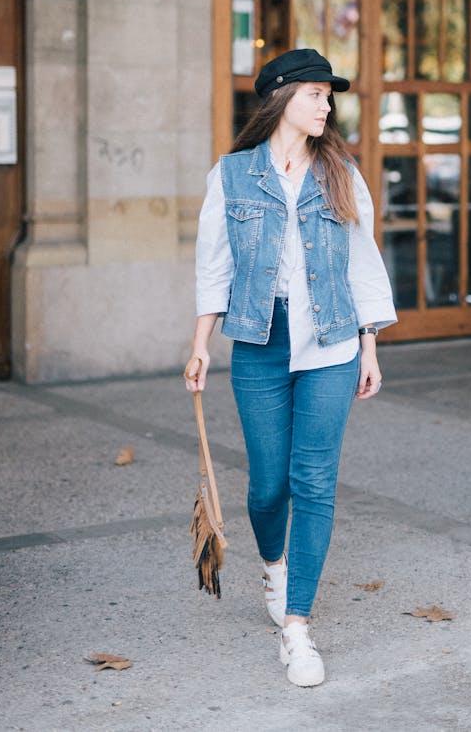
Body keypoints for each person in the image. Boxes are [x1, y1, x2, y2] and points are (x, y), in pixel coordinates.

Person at [183, 48, 397, 688]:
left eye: (329, 97)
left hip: (331, 341)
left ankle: (298, 628)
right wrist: (200, 343)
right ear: (281, 98)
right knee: (268, 485)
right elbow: (214, 265)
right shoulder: (233, 175)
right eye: (316, 95)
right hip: (260, 341)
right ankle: (274, 566)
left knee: (314, 480)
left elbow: (363, 261)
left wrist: (370, 346)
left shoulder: (340, 173)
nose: (327, 106)